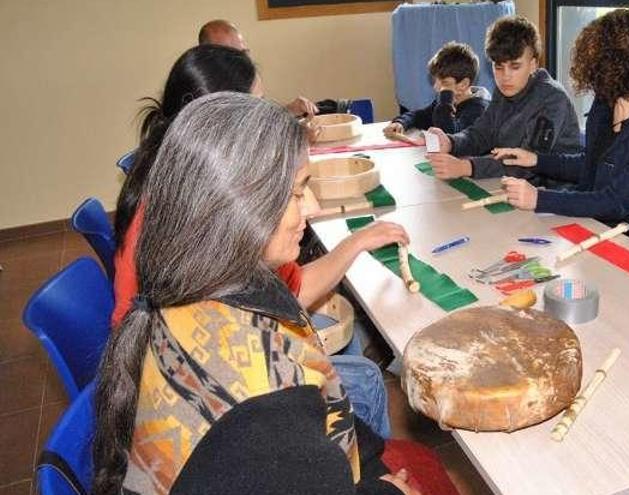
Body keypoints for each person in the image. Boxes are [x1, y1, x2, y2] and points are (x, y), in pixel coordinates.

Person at [94, 93, 421, 495]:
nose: (314, 207)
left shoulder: (195, 286)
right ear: (241, 205)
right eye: (299, 191)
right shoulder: (261, 416)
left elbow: (327, 422)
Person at [113, 44, 405, 439]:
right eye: (257, 104)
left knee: (341, 346)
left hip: (166, 372)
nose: (313, 207)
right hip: (190, 392)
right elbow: (289, 299)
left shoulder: (181, 187)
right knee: (362, 377)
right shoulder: (196, 235)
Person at [493, 10, 629, 266]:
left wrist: (539, 198)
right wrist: (537, 160)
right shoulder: (608, 100)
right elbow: (592, 164)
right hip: (605, 229)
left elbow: (618, 200)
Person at [424, 15, 581, 182]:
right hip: (511, 183)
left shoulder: (553, 99)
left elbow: (527, 162)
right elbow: (481, 133)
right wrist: (451, 142)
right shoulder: (505, 91)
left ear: (533, 64)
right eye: (498, 67)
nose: (505, 76)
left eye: (515, 66)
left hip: (552, 192)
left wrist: (466, 167)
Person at [198, 19, 318, 118]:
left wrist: (289, 110)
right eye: (230, 55)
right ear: (209, 58)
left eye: (243, 53)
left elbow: (259, 116)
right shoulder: (205, 95)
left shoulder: (249, 78)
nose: (242, 61)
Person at [383, 41, 490, 135]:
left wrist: (445, 102)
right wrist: (401, 122)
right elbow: (419, 116)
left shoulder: (478, 110)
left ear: (463, 84)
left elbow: (450, 135)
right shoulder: (444, 101)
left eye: (444, 82)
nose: (436, 87)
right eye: (435, 80)